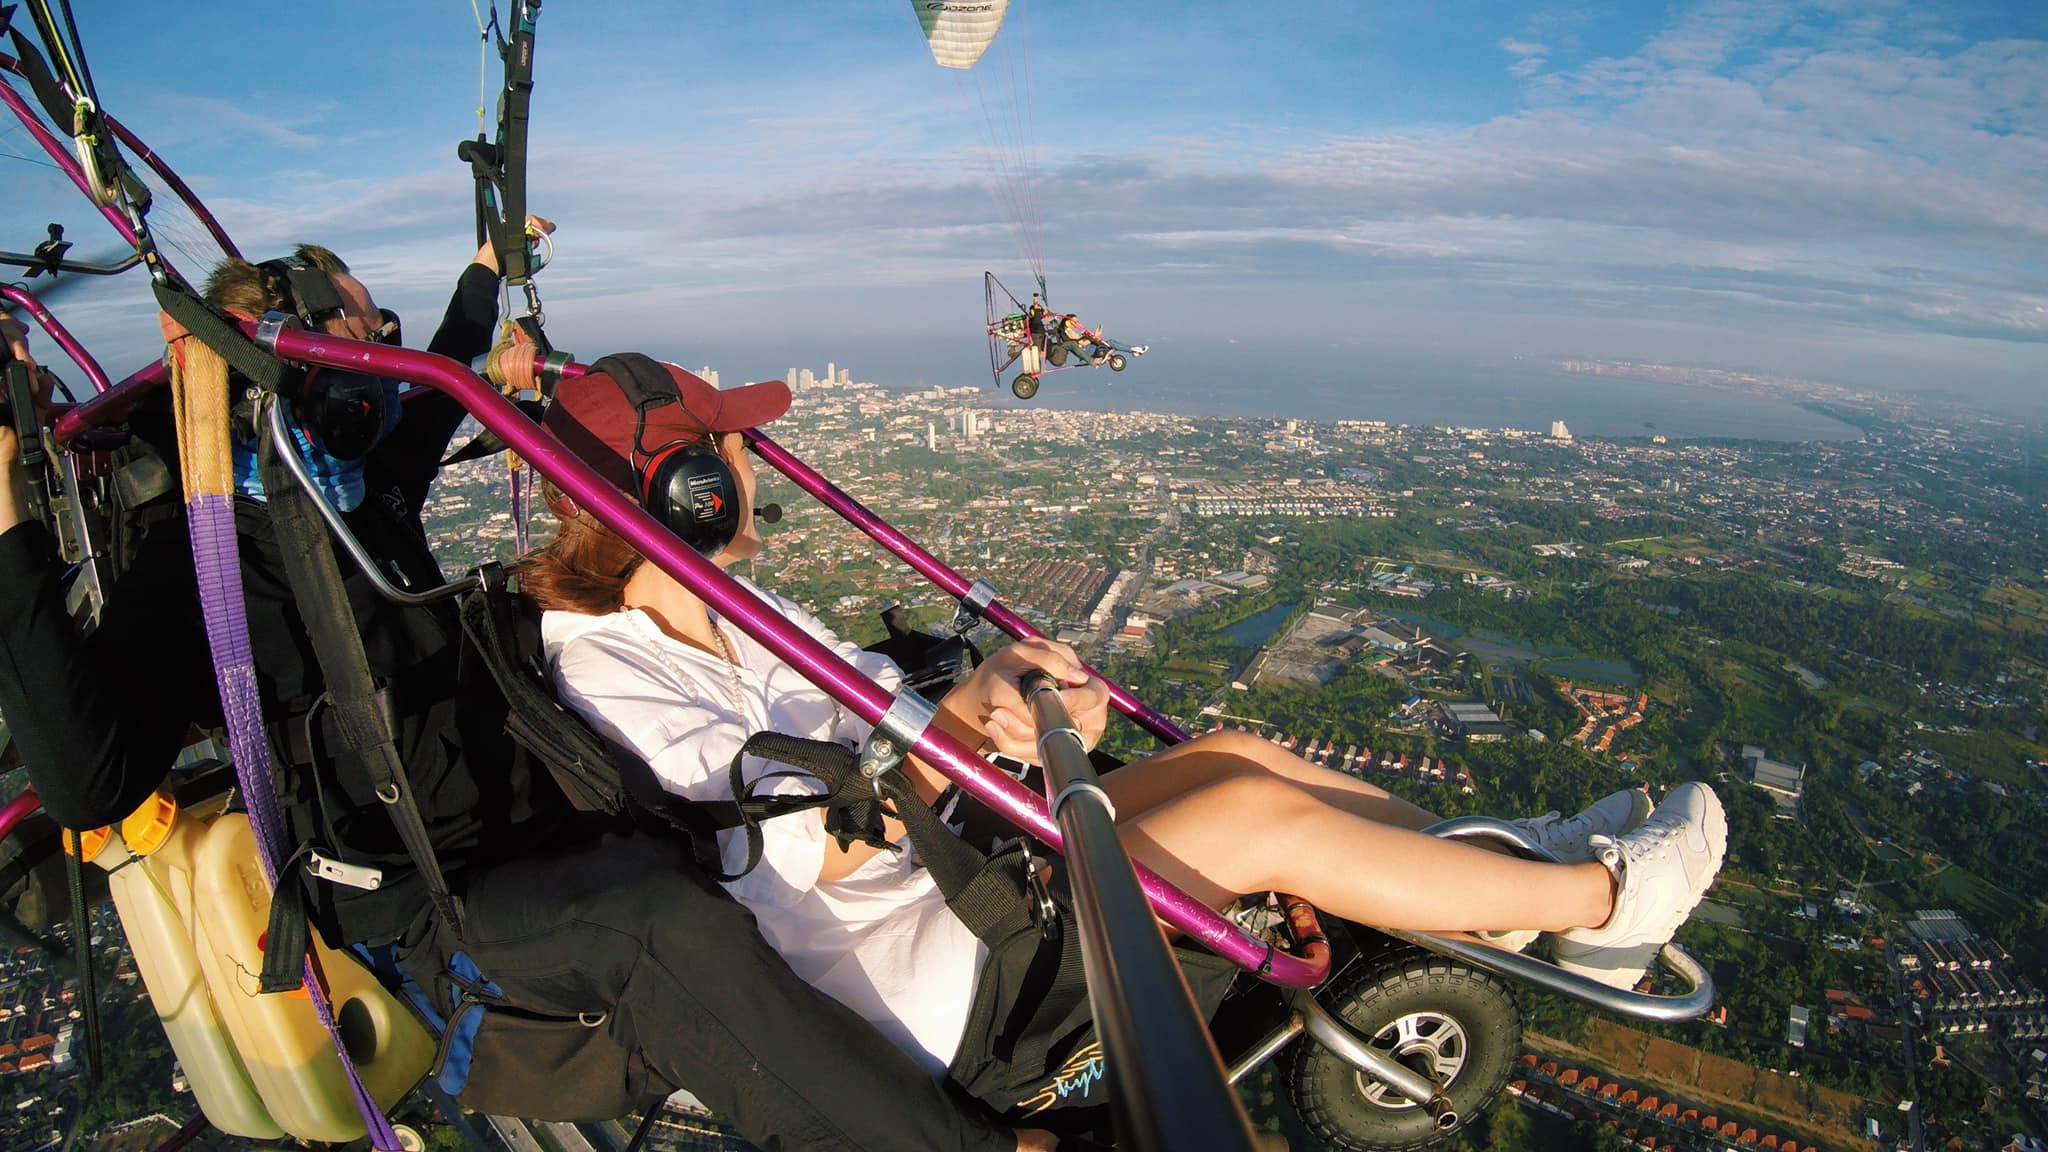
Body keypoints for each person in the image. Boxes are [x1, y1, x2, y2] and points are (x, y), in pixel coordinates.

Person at [0, 246, 1045, 1150]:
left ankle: (956, 972)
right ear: (298, 356)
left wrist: (487, 276)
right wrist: (4, 528)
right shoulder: (203, 559)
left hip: (533, 817)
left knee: (730, 801)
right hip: (433, 903)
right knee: (652, 919)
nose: (381, 349)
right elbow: (91, 784)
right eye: (363, 330)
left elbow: (438, 369)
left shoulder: (347, 491)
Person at [523, 363, 1729, 1109]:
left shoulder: (738, 611)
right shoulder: (612, 670)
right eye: (723, 446)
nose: (748, 459)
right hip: (911, 968)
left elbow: (886, 712)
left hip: (950, 879)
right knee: (1246, 822)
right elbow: (815, 851)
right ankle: (1596, 905)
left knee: (1236, 757)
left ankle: (1508, 888)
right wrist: (966, 731)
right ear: (680, 490)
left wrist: (994, 699)